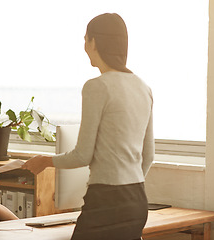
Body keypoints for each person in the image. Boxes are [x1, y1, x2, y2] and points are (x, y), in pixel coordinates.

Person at [22, 13, 154, 240]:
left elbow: (83, 155)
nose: (84, 47)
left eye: (85, 40)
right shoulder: (143, 88)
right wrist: (127, 187)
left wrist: (44, 162)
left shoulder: (97, 87)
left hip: (106, 201)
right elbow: (149, 156)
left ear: (94, 41)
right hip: (137, 199)